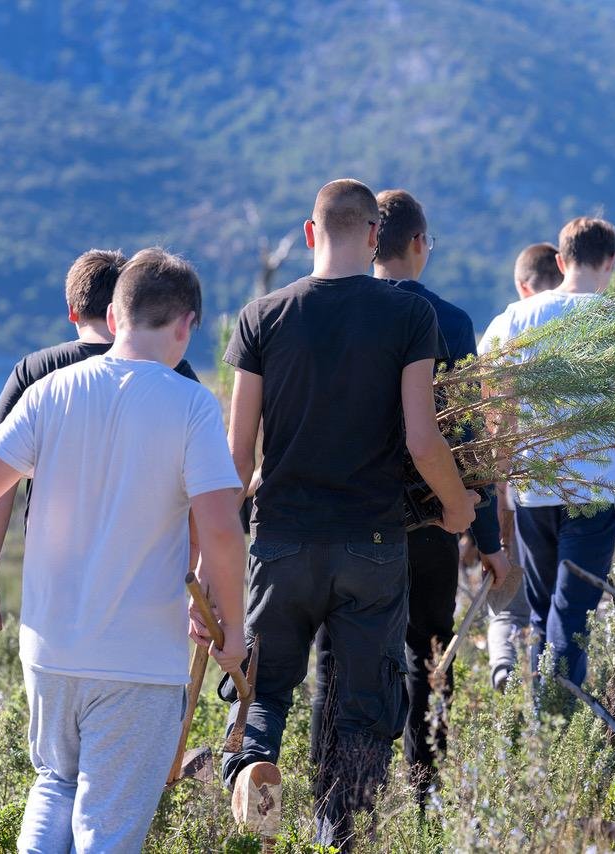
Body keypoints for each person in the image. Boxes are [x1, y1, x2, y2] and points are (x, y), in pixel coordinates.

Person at [0, 248, 245, 852]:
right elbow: (220, 527)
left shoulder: (50, 390)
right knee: (107, 828)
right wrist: (232, 625)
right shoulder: (191, 405)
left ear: (113, 315)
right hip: (139, 660)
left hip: (51, 649)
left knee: (55, 782)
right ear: (186, 324)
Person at [220, 179, 478, 849]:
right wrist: (458, 508)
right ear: (373, 236)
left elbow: (235, 458)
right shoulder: (408, 318)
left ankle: (254, 775)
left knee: (265, 692)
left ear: (310, 234)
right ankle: (340, 832)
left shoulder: (261, 317)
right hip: (371, 543)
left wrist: (208, 555)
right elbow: (424, 441)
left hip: (280, 540)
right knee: (362, 713)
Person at [308, 189, 509, 807]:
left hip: (339, 522)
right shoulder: (449, 321)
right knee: (429, 654)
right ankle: (426, 793)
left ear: (371, 241)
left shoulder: (331, 309)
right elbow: (472, 441)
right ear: (419, 244)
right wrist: (489, 539)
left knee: (338, 660)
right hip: (426, 521)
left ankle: (335, 798)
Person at [479, 218, 615, 688]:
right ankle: (558, 723)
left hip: (532, 498)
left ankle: (541, 731)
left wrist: (495, 501)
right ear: (611, 263)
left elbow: (490, 409)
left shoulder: (514, 319)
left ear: (562, 261)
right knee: (571, 622)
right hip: (593, 496)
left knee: (546, 617)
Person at [0, 249, 199, 639]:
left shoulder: (37, 372)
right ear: (126, 305)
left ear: (72, 312)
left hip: (54, 598)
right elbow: (201, 495)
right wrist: (199, 587)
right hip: (149, 596)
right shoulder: (176, 374)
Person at [485, 243, 563, 691]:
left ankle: (504, 671)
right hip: (577, 494)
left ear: (521, 285)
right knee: (557, 603)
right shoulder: (585, 325)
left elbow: (491, 419)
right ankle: (550, 690)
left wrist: (494, 499)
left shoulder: (505, 328)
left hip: (518, 492)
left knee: (507, 601)